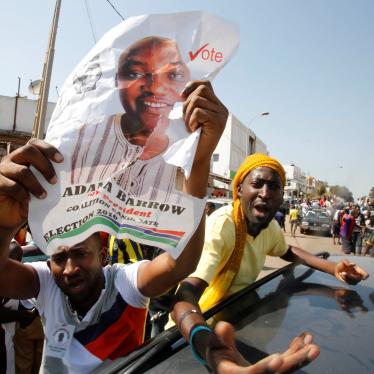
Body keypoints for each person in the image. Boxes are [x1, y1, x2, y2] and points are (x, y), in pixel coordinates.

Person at [170, 153, 368, 371]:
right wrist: (209, 349)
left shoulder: (270, 228)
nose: (265, 193)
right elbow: (185, 296)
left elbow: (288, 250)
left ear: (281, 196)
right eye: (257, 184)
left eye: (273, 187)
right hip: (188, 336)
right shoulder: (223, 226)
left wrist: (333, 268)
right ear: (238, 190)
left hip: (239, 320)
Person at [71, 36, 191, 203]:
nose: (155, 87)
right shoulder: (81, 140)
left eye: (172, 75)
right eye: (135, 73)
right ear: (116, 81)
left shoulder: (187, 150)